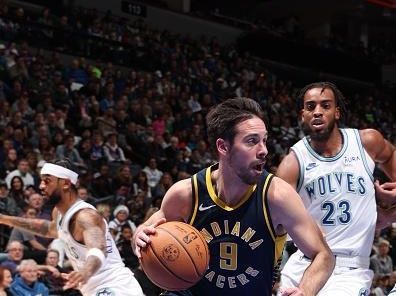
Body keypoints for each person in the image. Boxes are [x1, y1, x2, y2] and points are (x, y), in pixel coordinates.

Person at [132, 97, 334, 296]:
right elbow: (146, 231)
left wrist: (306, 291)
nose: (263, 150)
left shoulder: (277, 197)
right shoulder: (186, 194)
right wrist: (139, 237)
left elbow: (323, 255)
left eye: (264, 141)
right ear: (223, 147)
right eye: (252, 141)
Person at [277, 82, 396, 295]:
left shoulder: (366, 142)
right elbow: (274, 222)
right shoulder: (292, 164)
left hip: (349, 268)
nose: (317, 112)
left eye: (325, 105)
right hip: (307, 263)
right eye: (311, 107)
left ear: (337, 112)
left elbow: (390, 155)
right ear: (302, 115)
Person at [0, 159, 144, 296]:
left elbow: (98, 249)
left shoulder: (85, 216)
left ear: (66, 184)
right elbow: (49, 229)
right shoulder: (59, 212)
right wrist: (4, 219)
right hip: (93, 288)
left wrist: (84, 273)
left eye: (47, 181)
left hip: (115, 286)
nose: (41, 186)